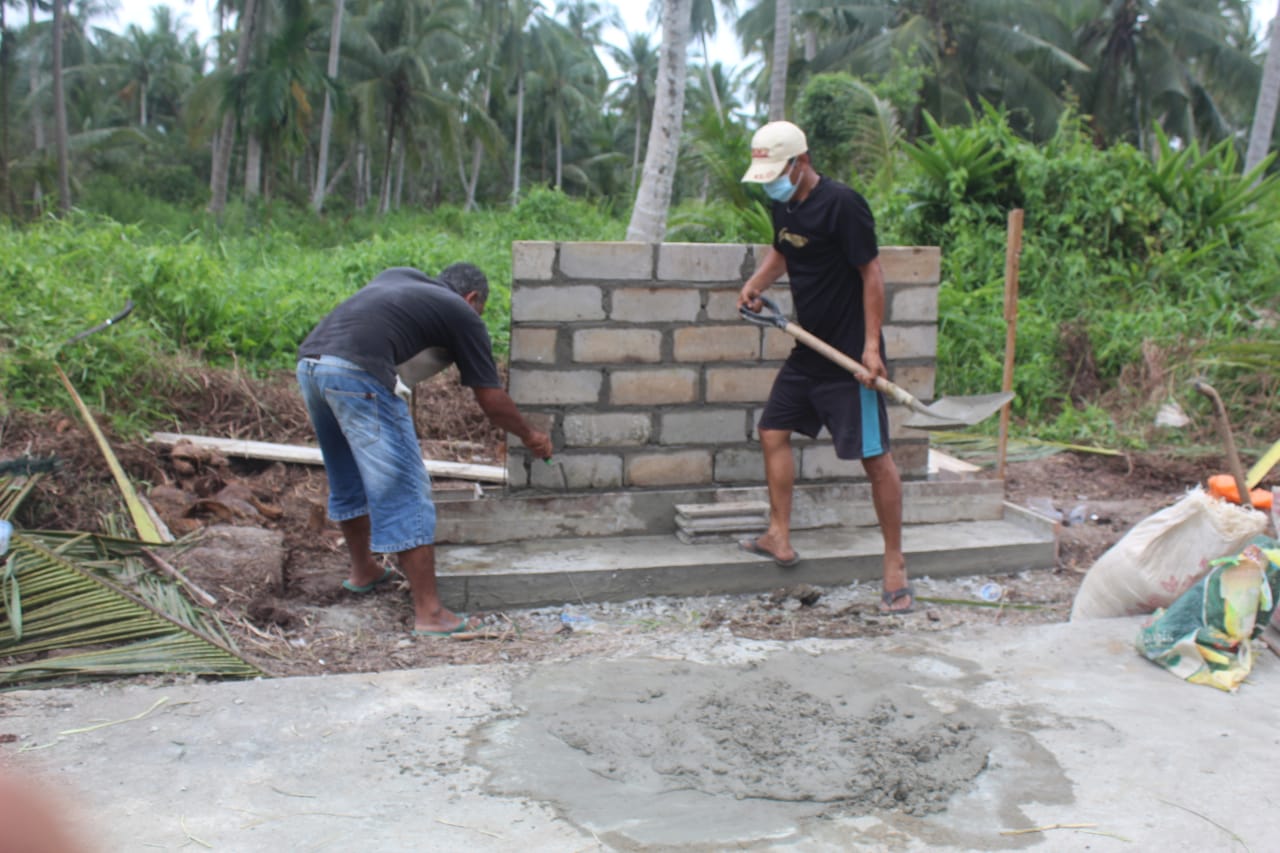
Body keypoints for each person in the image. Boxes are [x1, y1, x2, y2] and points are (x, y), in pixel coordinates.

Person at [296, 263, 553, 636]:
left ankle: (363, 570)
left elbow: (383, 331)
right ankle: (430, 614)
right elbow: (492, 400)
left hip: (312, 365)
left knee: (347, 474)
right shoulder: (462, 314)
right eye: (478, 309)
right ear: (472, 299)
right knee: (406, 487)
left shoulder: (399, 278)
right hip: (357, 373)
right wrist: (531, 435)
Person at [737, 121, 913, 614]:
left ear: (802, 163)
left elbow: (871, 273)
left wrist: (872, 347)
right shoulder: (783, 202)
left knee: (874, 460)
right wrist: (756, 283)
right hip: (808, 349)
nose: (772, 181)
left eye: (778, 171)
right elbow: (784, 249)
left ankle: (895, 563)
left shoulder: (844, 204)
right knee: (772, 429)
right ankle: (779, 536)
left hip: (850, 357)